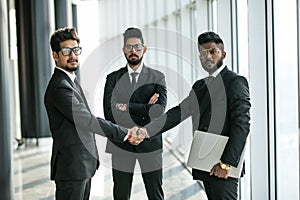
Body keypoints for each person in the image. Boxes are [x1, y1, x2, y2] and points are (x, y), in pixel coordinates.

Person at [138, 31, 251, 199]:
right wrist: (146, 131)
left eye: (212, 51)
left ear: (223, 54)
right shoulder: (200, 86)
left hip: (223, 164)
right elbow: (178, 113)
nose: (207, 56)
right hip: (205, 161)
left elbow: (242, 124)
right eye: (203, 53)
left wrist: (226, 164)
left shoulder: (235, 82)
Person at [44, 27, 143, 200]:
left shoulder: (70, 81)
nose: (73, 55)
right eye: (66, 51)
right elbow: (87, 120)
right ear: (55, 55)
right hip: (71, 167)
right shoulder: (60, 86)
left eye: (76, 50)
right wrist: (126, 133)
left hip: (80, 166)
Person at [103, 27, 167, 200]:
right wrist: (145, 108)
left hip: (150, 143)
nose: (133, 51)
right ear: (123, 50)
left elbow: (159, 111)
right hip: (121, 143)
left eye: (137, 47)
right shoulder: (112, 78)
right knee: (121, 194)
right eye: (129, 47)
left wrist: (124, 106)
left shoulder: (158, 77)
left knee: (155, 194)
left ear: (144, 49)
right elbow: (109, 113)